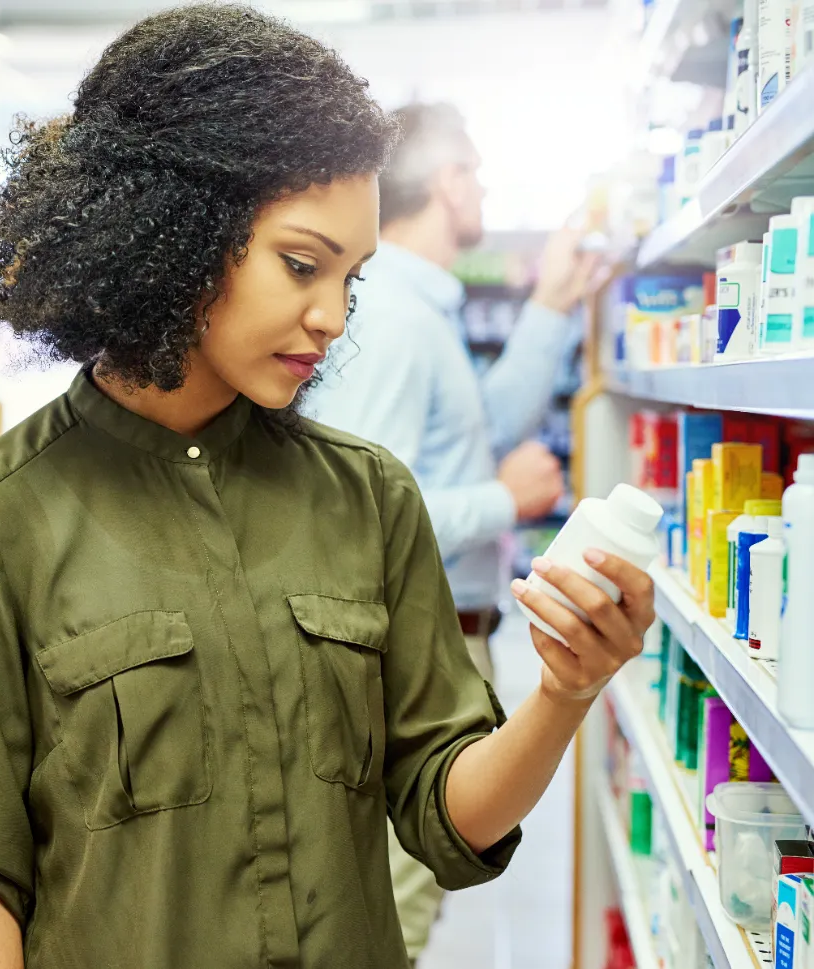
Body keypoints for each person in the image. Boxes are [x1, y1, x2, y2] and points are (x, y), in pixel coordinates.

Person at [0, 8, 654, 969]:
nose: (333, 316)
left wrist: (563, 692)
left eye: (353, 277)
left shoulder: (369, 497)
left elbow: (442, 810)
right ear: (173, 231)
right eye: (302, 264)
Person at [306, 104, 602, 961]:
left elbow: (472, 431)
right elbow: (357, 515)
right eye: (476, 170)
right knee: (396, 910)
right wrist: (502, 504)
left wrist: (549, 304)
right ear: (447, 182)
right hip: (408, 650)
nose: (484, 188)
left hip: (443, 636)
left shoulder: (419, 305)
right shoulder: (395, 319)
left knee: (413, 899)